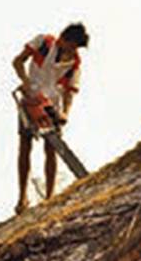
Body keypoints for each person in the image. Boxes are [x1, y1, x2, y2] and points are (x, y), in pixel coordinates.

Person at [12, 22, 89, 213]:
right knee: (25, 144)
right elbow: (18, 62)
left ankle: (50, 196)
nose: (71, 50)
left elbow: (69, 93)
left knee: (51, 148)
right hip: (31, 98)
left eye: (74, 48)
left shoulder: (74, 64)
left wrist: (65, 114)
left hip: (52, 105)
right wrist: (26, 83)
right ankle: (22, 198)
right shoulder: (43, 43)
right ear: (63, 38)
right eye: (69, 45)